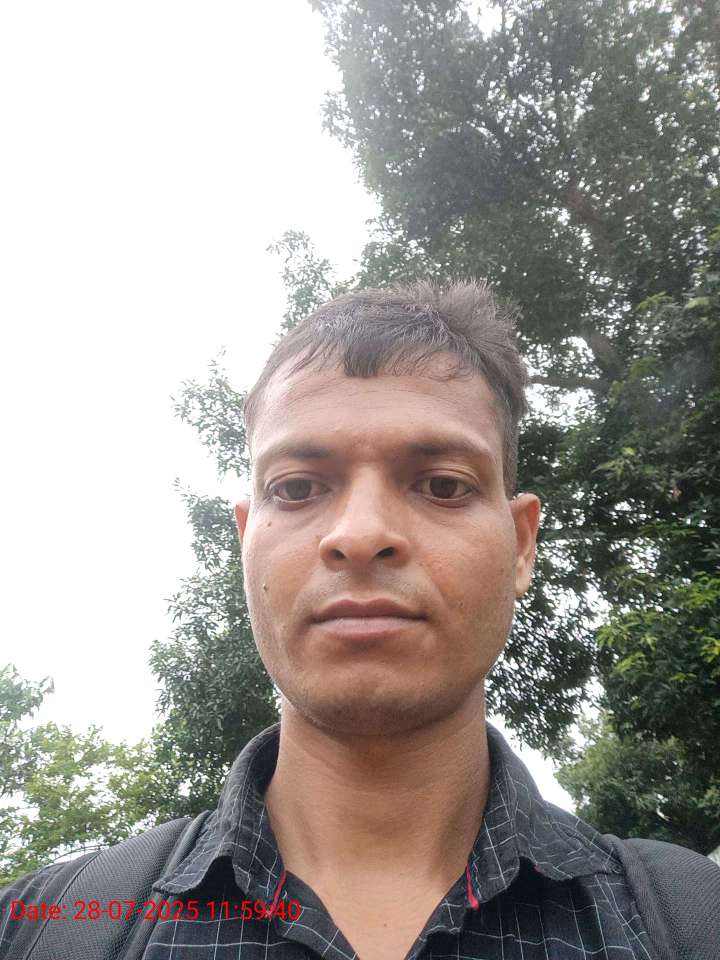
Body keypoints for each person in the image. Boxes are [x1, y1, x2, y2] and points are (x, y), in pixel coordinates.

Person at [1, 281, 717, 960]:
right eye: (297, 487)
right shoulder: (36, 931)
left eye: (443, 484)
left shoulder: (696, 922)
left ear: (521, 545)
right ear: (245, 541)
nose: (361, 533)